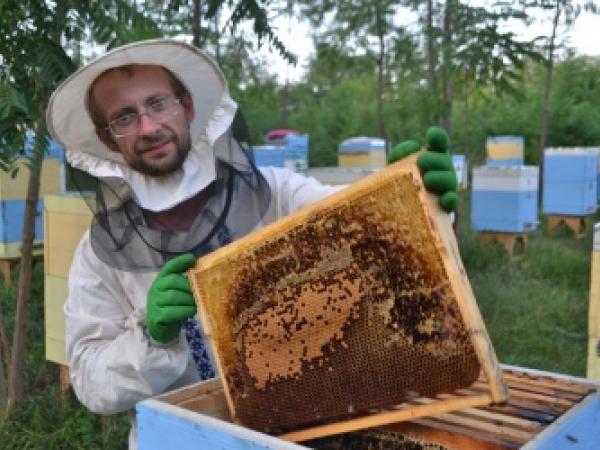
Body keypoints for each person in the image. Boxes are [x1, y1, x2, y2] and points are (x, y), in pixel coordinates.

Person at [46, 39, 457, 448]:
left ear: (186, 106)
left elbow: (368, 229)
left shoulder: (278, 195)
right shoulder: (97, 256)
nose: (149, 127)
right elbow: (90, 383)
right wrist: (152, 339)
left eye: (158, 104)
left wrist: (411, 199)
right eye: (124, 117)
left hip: (303, 426)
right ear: (106, 137)